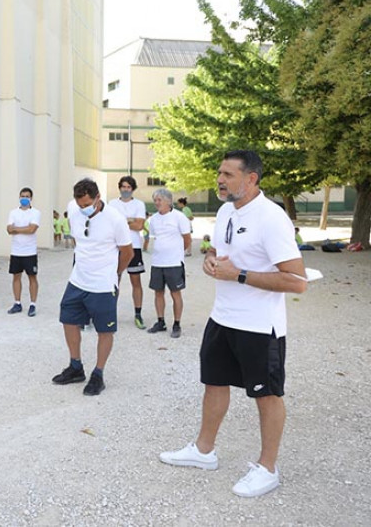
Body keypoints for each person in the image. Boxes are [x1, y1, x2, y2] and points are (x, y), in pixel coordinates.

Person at [159, 150, 307, 498]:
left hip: (259, 327)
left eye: (227, 174)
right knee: (214, 383)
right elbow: (221, 253)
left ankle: (268, 468)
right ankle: (203, 451)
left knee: (267, 395)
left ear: (251, 178)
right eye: (219, 173)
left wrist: (238, 275)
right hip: (222, 318)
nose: (220, 180)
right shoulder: (226, 210)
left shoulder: (272, 218)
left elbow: (297, 281)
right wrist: (211, 261)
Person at [53, 179, 132, 396]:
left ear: (98, 198)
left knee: (104, 330)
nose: (82, 209)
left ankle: (98, 374)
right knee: (68, 320)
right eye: (79, 205)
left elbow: (127, 253)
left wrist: (114, 274)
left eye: (87, 204)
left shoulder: (115, 219)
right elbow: (80, 240)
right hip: (78, 280)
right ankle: (75, 366)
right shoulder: (73, 208)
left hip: (103, 284)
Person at [146, 189, 192, 338]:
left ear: (168, 201)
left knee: (175, 293)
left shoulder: (179, 217)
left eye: (159, 200)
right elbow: (155, 237)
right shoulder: (153, 219)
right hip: (157, 262)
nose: (156, 203)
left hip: (174, 263)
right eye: (155, 200)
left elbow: (187, 239)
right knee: (158, 292)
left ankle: (177, 324)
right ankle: (161, 322)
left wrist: (177, 252)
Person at [108, 176, 147, 329]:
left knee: (135, 281)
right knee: (114, 280)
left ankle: (138, 314)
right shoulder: (112, 203)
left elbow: (139, 226)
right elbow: (110, 225)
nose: (125, 189)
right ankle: (110, 313)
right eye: (123, 187)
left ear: (133, 189)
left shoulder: (139, 204)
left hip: (134, 246)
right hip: (115, 247)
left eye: (128, 187)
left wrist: (122, 221)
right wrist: (129, 220)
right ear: (119, 188)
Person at [6, 187, 41, 317]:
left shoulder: (35, 213)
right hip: (16, 251)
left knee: (32, 277)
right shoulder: (13, 212)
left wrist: (16, 229)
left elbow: (32, 229)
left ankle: (33, 304)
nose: (24, 198)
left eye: (27, 196)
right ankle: (17, 303)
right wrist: (23, 228)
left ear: (31, 198)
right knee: (16, 277)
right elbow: (9, 229)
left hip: (30, 252)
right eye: (22, 196)